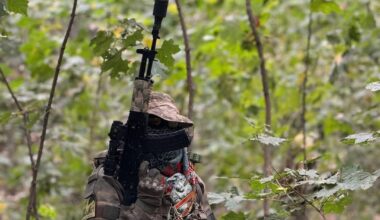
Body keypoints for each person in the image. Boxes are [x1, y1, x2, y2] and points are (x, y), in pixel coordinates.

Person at [82, 92, 215, 220]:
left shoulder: (191, 180)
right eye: (155, 123)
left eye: (173, 125)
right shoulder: (113, 175)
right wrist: (144, 208)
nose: (167, 132)